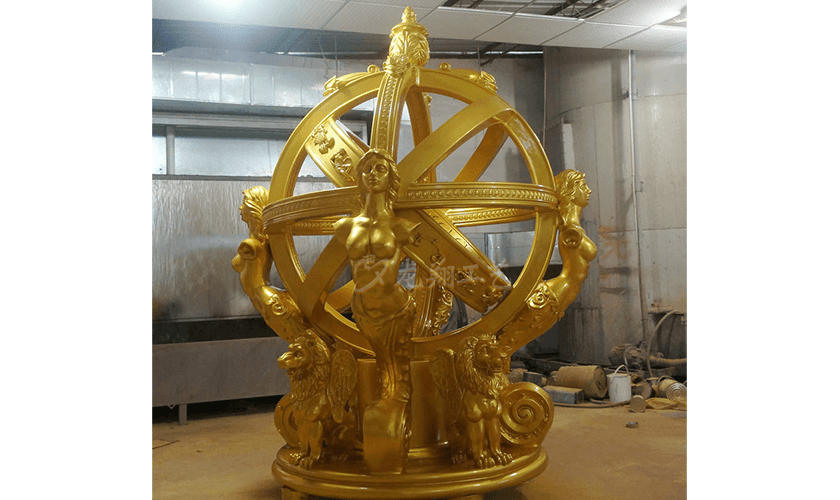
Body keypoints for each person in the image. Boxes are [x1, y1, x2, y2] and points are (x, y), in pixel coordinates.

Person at [333, 149, 418, 403]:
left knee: (397, 370)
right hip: (361, 309)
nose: (373, 174)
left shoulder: (402, 227)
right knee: (378, 365)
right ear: (359, 177)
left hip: (394, 309)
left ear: (391, 178)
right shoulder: (345, 227)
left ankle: (395, 406)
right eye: (367, 169)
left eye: (381, 169)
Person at [547, 169, 598, 314]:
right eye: (582, 186)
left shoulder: (573, 228)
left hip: (569, 290)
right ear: (571, 191)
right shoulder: (570, 231)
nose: (588, 190)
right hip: (561, 289)